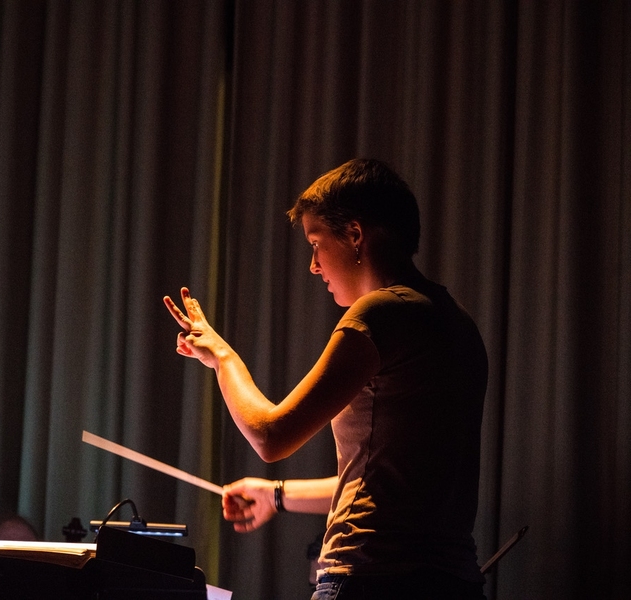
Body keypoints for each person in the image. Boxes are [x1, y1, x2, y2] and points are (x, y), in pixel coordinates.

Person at [164, 159, 488, 600]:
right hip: (454, 583)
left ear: (355, 235)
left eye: (317, 244)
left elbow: (270, 436)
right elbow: (384, 483)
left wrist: (222, 357)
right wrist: (276, 495)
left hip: (371, 580)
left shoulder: (381, 313)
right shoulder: (456, 322)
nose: (314, 266)